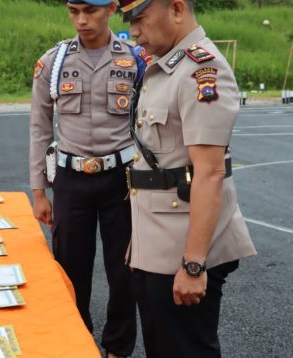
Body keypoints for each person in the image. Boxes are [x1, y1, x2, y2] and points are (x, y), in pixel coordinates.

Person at [119, 1, 257, 357]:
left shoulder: (202, 68)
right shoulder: (167, 66)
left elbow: (209, 172)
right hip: (158, 240)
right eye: (129, 21)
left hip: (184, 248)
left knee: (185, 349)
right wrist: (141, 240)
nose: (134, 31)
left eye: (140, 18)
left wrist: (194, 265)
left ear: (177, 9)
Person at [29, 1, 143, 357]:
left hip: (122, 181)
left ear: (110, 9)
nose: (81, 20)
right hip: (70, 180)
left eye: (90, 11)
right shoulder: (54, 62)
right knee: (69, 270)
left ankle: (117, 348)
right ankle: (75, 343)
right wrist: (38, 192)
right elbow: (39, 127)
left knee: (124, 271)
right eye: (73, 10)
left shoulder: (136, 59)